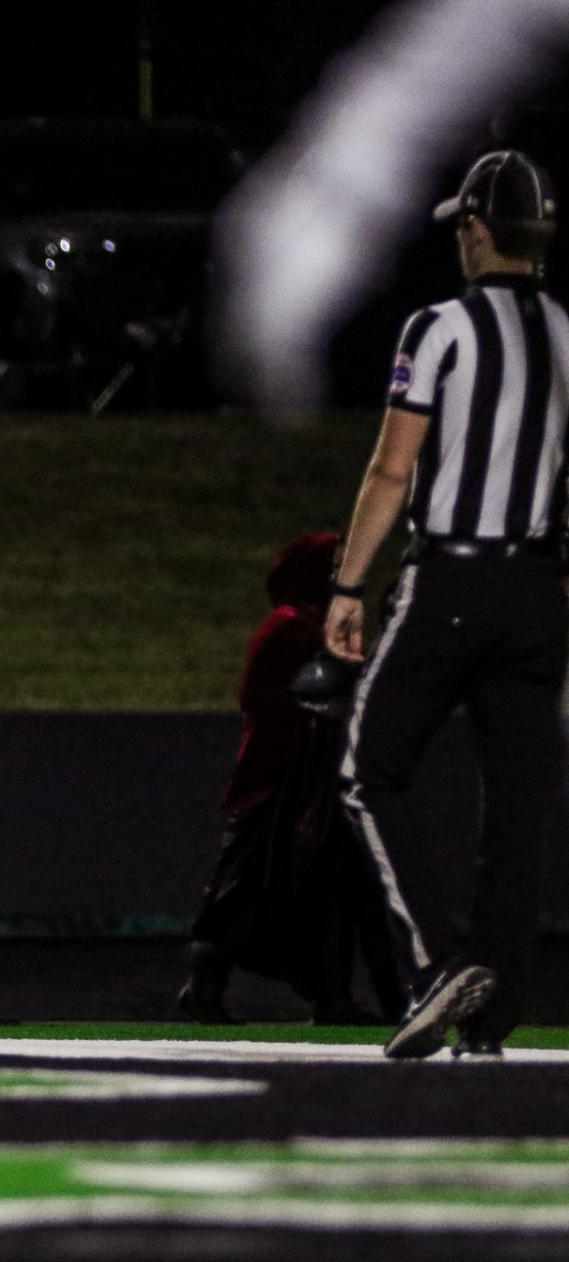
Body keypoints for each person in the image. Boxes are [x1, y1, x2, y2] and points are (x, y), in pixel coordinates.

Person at [327, 149, 569, 1061]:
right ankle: (489, 1023)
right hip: (537, 589)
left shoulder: (440, 327)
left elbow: (392, 468)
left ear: (473, 230)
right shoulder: (567, 332)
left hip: (452, 580)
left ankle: (433, 970)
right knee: (515, 811)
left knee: (368, 768)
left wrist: (348, 584)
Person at [178, 534, 403, 1026]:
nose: (346, 574)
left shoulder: (317, 626)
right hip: (280, 783)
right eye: (336, 565)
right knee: (246, 892)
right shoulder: (291, 626)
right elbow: (276, 700)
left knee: (332, 892)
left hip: (318, 783)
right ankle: (204, 990)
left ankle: (333, 998)